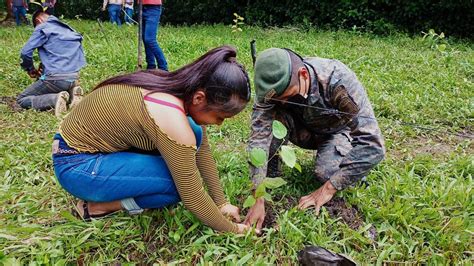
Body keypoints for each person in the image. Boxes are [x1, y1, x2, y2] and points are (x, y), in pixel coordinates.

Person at [52, 46, 252, 234]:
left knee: (195, 132)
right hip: (76, 166)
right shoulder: (170, 116)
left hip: (87, 149)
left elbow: (203, 150)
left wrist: (221, 203)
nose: (219, 124)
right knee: (177, 186)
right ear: (199, 98)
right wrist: (235, 230)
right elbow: (194, 198)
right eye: (221, 117)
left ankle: (114, 185)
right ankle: (96, 207)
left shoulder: (171, 85)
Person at [244, 48, 385, 230]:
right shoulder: (268, 89)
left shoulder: (337, 79)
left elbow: (373, 144)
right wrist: (258, 195)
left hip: (336, 132)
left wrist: (328, 189)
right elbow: (258, 140)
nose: (284, 103)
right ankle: (271, 173)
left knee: (327, 173)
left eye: (288, 96)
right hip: (299, 129)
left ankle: (344, 166)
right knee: (269, 135)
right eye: (279, 100)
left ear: (303, 75)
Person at [17, 10, 86, 117]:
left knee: (22, 99)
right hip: (73, 77)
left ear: (38, 21)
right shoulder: (69, 30)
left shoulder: (43, 27)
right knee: (60, 83)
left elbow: (25, 53)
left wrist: (30, 69)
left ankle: (54, 99)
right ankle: (73, 94)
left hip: (55, 79)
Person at [142, 0, 167, 70]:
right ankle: (151, 66)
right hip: (142, 7)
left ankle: (163, 68)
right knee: (144, 38)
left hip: (153, 7)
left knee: (149, 39)